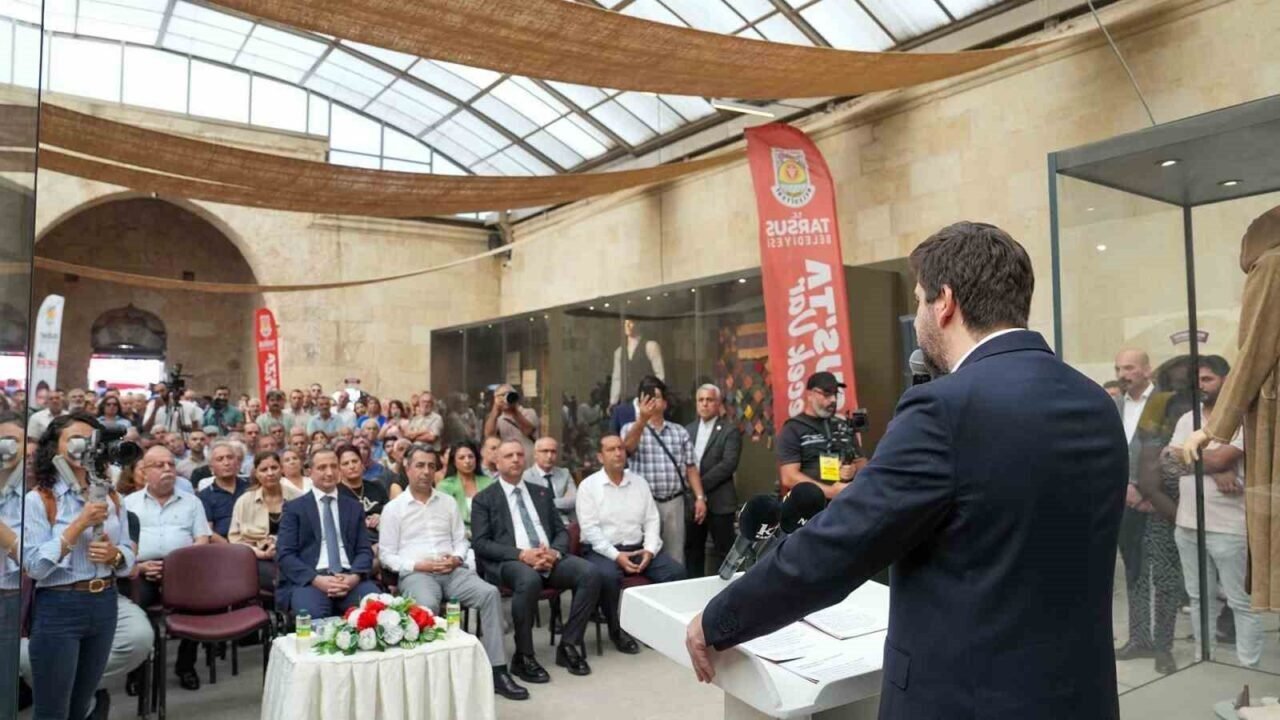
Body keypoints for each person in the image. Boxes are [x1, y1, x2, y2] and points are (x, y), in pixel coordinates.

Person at [686, 222, 1128, 719]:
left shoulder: (942, 409)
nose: (918, 319)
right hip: (1078, 698)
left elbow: (836, 546)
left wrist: (719, 619)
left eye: (919, 301)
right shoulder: (1096, 402)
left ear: (945, 302)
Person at [379, 445, 528, 701]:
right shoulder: (394, 508)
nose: (426, 471)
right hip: (417, 574)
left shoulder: (447, 503)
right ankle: (434, 677)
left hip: (452, 570)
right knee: (426, 605)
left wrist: (457, 558)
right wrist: (418, 565)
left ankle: (497, 671)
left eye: (431, 466)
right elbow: (387, 555)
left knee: (490, 594)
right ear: (407, 468)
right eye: (420, 465)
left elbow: (461, 540)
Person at [24, 412, 137, 720]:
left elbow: (127, 553)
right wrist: (79, 524)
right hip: (59, 606)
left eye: (90, 440)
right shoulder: (40, 499)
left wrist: (115, 556)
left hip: (104, 602)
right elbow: (34, 566)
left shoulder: (111, 495)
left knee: (81, 705)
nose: (84, 446)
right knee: (52, 710)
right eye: (75, 439)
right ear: (55, 447)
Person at [471, 441, 601, 682]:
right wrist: (522, 554)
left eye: (519, 454)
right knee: (529, 579)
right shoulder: (484, 499)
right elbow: (481, 543)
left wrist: (555, 552)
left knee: (590, 573)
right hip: (511, 561)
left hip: (548, 557)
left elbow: (561, 531)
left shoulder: (540, 492)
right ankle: (524, 656)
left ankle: (568, 645)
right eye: (508, 455)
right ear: (496, 462)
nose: (515, 459)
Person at [1165, 356, 1262, 668]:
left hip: (1229, 526)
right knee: (1198, 598)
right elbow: (1168, 459)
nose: (1201, 386)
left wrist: (1203, 460)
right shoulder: (1188, 419)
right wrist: (1217, 468)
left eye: (1208, 379)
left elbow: (1216, 458)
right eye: (1198, 380)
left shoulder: (1243, 419)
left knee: (1240, 600)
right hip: (1188, 524)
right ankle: (1202, 657)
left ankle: (1248, 665)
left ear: (1226, 381)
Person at [578, 435, 686, 654]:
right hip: (602, 551)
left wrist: (650, 550)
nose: (618, 453)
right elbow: (590, 530)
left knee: (676, 572)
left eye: (620, 448)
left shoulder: (639, 483)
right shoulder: (588, 486)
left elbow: (652, 520)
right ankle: (617, 630)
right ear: (600, 456)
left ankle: (657, 628)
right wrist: (616, 556)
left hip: (638, 548)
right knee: (608, 577)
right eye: (611, 449)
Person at [122, 445, 210, 691]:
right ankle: (138, 669)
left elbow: (202, 540)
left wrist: (177, 567)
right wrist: (139, 567)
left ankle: (185, 665)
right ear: (144, 471)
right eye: (159, 465)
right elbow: (120, 546)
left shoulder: (192, 502)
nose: (167, 469)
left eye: (171, 464)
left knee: (200, 604)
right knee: (135, 609)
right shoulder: (128, 504)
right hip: (143, 571)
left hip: (182, 571)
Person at [275, 447, 381, 618]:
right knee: (313, 618)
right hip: (310, 581)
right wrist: (317, 580)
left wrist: (353, 577)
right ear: (309, 472)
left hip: (349, 578)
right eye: (322, 468)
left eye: (333, 466)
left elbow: (364, 550)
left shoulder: (353, 507)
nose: (329, 473)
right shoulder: (295, 508)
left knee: (380, 610)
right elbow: (285, 554)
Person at [620, 377, 707, 566]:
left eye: (656, 397)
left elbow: (691, 467)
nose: (652, 402)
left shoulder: (679, 432)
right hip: (643, 503)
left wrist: (700, 498)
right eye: (647, 398)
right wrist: (641, 420)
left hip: (673, 502)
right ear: (639, 402)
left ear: (665, 403)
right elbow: (627, 450)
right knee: (644, 554)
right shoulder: (630, 429)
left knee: (676, 555)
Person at [1112, 348, 1161, 665]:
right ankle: (1141, 638)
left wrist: (1145, 490)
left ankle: (1165, 643)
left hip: (1160, 503)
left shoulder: (1166, 403)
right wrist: (1124, 487)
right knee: (1135, 571)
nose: (1122, 374)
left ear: (1147, 369)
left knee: (1167, 576)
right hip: (1125, 503)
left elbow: (1170, 449)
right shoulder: (1115, 405)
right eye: (1118, 368)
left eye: (1129, 368)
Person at [776, 373, 864, 500]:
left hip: (846, 502)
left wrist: (853, 469)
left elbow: (862, 462)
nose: (833, 400)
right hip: (811, 504)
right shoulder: (793, 428)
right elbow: (789, 477)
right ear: (810, 395)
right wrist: (830, 492)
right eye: (827, 394)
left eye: (835, 394)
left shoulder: (843, 426)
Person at [684, 384, 741, 577]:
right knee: (693, 552)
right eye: (701, 400)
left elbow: (728, 464)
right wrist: (695, 492)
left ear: (718, 404)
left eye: (709, 400)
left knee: (726, 553)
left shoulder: (730, 430)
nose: (704, 404)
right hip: (693, 503)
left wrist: (698, 485)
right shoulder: (687, 430)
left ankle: (731, 589)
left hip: (720, 501)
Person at [230, 452, 304, 593]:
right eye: (264, 470)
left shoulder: (298, 497)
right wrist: (261, 554)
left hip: (294, 555)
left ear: (281, 469)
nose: (270, 473)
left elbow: (308, 534)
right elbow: (235, 540)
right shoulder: (244, 502)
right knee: (278, 579)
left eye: (274, 468)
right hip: (257, 557)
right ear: (256, 473)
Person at [198, 439, 250, 542]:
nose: (226, 463)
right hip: (225, 546)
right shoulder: (205, 496)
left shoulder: (251, 486)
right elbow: (208, 531)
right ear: (211, 467)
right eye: (220, 459)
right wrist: (230, 546)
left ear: (237, 462)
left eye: (230, 457)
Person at [437, 439, 494, 532]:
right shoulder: (445, 486)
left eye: (471, 457)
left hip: (488, 532)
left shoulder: (489, 483)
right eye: (461, 458)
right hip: (456, 534)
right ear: (454, 462)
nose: (467, 461)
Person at [336, 443, 389, 543]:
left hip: (385, 536)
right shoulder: (336, 493)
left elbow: (391, 511)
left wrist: (381, 516)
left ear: (362, 463)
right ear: (339, 469)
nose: (352, 466)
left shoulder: (377, 486)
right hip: (355, 542)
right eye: (345, 463)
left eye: (355, 461)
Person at [609, 318, 665, 407]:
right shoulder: (619, 352)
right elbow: (617, 378)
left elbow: (660, 376)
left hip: (647, 401)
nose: (627, 325)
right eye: (625, 322)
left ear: (638, 324)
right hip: (627, 401)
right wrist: (613, 402)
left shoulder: (650, 346)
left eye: (631, 322)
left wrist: (656, 399)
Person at [522, 437, 577, 525]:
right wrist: (562, 501)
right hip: (540, 524)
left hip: (565, 523)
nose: (549, 456)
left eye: (553, 452)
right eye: (545, 451)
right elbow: (532, 505)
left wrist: (546, 502)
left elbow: (574, 500)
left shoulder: (564, 473)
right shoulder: (525, 477)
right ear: (535, 454)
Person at [484, 384, 538, 461]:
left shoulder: (529, 412)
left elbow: (528, 430)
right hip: (508, 461)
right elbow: (489, 436)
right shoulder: (497, 418)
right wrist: (495, 410)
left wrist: (514, 410)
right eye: (502, 395)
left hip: (527, 460)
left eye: (509, 394)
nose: (506, 397)